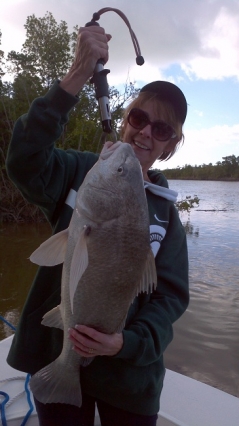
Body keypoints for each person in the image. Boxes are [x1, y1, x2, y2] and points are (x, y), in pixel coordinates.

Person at [6, 25, 189, 426]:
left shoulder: (168, 217)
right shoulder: (78, 172)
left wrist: (124, 342)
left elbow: (170, 299)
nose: (145, 131)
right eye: (140, 117)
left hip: (130, 378)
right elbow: (23, 159)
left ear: (171, 144)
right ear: (125, 117)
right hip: (59, 350)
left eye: (161, 129)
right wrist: (76, 75)